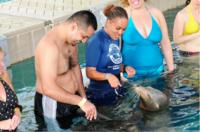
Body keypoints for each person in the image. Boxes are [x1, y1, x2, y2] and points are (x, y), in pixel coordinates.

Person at [34, 10, 98, 130]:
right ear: (74, 26)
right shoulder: (49, 47)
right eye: (84, 36)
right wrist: (81, 102)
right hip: (53, 105)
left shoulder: (71, 40)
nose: (84, 41)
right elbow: (48, 88)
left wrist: (83, 98)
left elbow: (74, 66)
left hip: (73, 99)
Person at [85, 5, 135, 106]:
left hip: (116, 88)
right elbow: (89, 72)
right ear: (109, 22)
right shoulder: (96, 40)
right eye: (118, 28)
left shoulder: (117, 38)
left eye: (124, 29)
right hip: (100, 93)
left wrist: (125, 68)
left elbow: (112, 65)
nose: (121, 32)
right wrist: (108, 76)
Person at [120, 0, 174, 80]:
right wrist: (120, 72)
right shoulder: (122, 15)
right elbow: (114, 49)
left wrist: (171, 72)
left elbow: (166, 44)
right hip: (131, 75)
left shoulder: (157, 14)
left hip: (158, 72)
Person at [0, 47, 22, 131]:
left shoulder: (3, 75)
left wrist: (17, 114)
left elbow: (16, 105)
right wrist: (1, 124)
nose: (2, 65)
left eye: (2, 60)